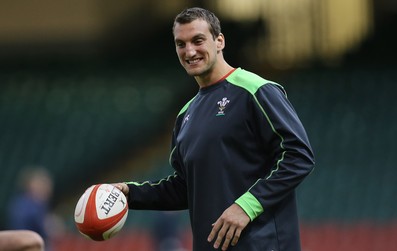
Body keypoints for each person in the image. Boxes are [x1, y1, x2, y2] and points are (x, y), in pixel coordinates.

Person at [114, 7, 315, 251]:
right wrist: (129, 194)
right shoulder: (185, 115)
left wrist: (246, 206)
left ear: (219, 41)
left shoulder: (256, 90)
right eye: (181, 44)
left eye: (198, 40)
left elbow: (298, 156)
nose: (189, 51)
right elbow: (185, 189)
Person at [7, 167, 53, 249]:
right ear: (31, 185)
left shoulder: (22, 202)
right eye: (42, 184)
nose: (47, 188)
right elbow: (42, 229)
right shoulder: (32, 205)